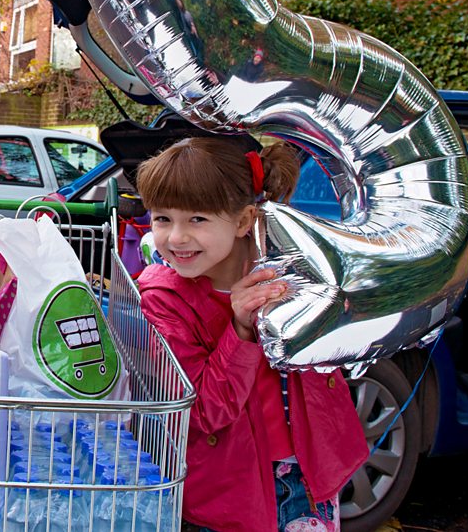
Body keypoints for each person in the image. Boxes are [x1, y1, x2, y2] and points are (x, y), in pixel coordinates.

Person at [133, 136, 366, 532]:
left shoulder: (293, 272)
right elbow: (204, 412)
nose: (175, 238)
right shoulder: (163, 299)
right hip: (231, 490)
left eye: (197, 219)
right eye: (162, 219)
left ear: (243, 221)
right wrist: (240, 329)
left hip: (309, 476)